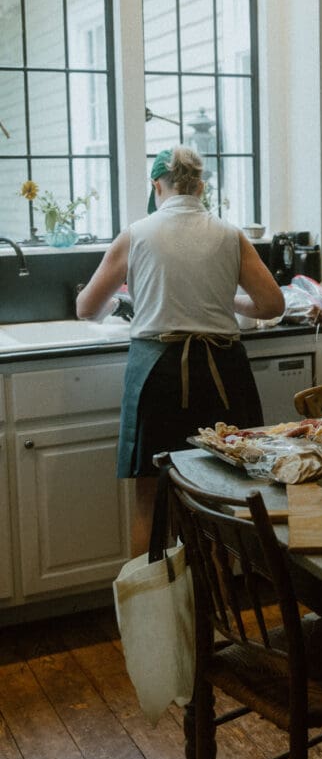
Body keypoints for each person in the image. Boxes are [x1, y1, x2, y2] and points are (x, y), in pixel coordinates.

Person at [76, 146, 284, 556]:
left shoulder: (137, 234)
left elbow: (86, 308)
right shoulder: (230, 233)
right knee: (223, 494)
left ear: (158, 186)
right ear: (201, 186)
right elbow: (271, 305)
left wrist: (118, 302)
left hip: (159, 372)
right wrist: (229, 301)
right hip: (224, 374)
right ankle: (221, 606)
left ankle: (157, 615)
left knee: (150, 502)